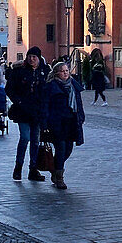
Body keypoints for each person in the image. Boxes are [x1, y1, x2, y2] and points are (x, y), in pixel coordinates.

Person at [6, 46, 49, 181]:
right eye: (29, 56)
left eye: (34, 57)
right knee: (25, 138)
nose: (31, 59)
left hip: (37, 112)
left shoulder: (45, 71)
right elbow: (9, 88)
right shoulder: (20, 71)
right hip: (23, 111)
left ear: (39, 58)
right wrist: (18, 101)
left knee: (35, 141)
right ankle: (18, 168)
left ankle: (33, 169)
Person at [43, 62, 85, 190]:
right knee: (61, 148)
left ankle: (55, 168)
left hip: (71, 122)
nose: (66, 73)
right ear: (56, 73)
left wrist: (81, 117)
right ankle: (59, 178)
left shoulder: (73, 85)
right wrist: (45, 123)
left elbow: (78, 102)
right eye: (62, 71)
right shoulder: (51, 87)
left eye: (67, 70)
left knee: (68, 149)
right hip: (57, 122)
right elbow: (45, 105)